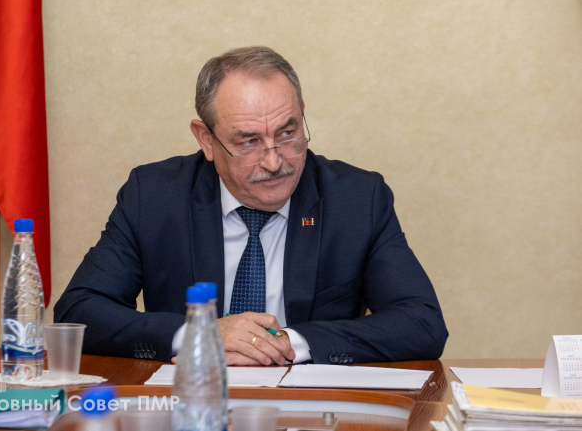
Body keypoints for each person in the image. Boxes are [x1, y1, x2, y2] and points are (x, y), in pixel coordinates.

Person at [54, 46, 448, 366]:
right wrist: (198, 336)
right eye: (248, 142)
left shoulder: (357, 199)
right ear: (206, 140)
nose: (275, 162)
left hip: (312, 410)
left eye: (288, 133)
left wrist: (287, 343)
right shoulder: (155, 196)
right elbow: (78, 310)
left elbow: (422, 323)